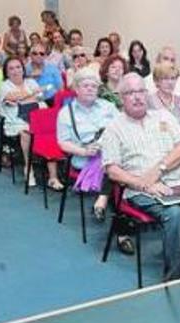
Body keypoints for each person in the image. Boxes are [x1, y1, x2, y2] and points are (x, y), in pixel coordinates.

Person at [101, 73, 180, 275]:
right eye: (131, 92)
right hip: (140, 191)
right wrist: (144, 184)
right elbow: (112, 170)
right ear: (121, 97)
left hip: (179, 182)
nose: (138, 96)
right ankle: (175, 276)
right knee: (176, 215)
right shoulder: (114, 129)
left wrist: (159, 169)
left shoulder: (163, 116)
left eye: (141, 91)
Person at [56, 68, 126, 249]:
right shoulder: (66, 112)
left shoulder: (107, 106)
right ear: (76, 89)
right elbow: (63, 143)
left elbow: (123, 128)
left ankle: (103, 200)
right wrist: (83, 151)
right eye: (85, 86)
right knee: (117, 174)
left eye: (94, 86)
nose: (90, 89)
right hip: (85, 158)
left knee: (115, 166)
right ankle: (123, 233)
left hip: (111, 153)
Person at [0, 56, 42, 180]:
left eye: (18, 67)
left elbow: (40, 97)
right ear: (6, 72)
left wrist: (25, 98)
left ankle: (52, 174)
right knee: (26, 132)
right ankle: (28, 167)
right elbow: (13, 97)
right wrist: (31, 95)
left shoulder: (31, 82)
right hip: (15, 121)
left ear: (23, 69)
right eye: (11, 68)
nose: (16, 71)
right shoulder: (4, 86)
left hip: (35, 117)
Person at [147, 62, 180, 138]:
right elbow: (150, 127)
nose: (170, 83)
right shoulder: (148, 101)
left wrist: (167, 125)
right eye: (165, 79)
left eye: (173, 78)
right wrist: (177, 124)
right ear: (156, 81)